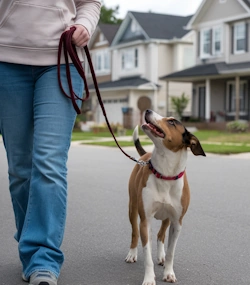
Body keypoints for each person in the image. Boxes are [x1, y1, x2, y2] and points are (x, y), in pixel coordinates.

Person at [0, 1, 101, 285]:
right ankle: (31, 245)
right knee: (20, 169)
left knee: (49, 162)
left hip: (62, 58)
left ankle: (43, 258)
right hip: (6, 60)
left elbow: (89, 2)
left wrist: (85, 24)